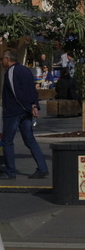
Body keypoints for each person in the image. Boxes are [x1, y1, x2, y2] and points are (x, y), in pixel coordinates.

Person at [0, 49, 49, 180]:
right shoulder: (25, 70)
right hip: (25, 112)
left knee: (7, 141)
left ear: (7, 59)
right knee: (30, 140)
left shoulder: (12, 72)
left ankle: (10, 172)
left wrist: (28, 106)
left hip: (14, 112)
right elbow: (32, 89)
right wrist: (34, 105)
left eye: (2, 59)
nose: (1, 62)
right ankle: (42, 168)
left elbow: (17, 93)